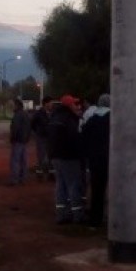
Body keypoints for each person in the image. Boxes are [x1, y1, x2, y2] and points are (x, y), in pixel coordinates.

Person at [47, 94, 84, 224]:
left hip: (55, 157)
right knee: (73, 185)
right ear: (69, 106)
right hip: (69, 157)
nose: (77, 106)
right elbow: (74, 139)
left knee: (60, 185)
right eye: (74, 104)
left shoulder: (54, 117)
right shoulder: (70, 119)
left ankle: (61, 214)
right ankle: (77, 214)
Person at [82, 93, 111, 227]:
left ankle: (95, 219)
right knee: (112, 189)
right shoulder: (112, 118)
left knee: (96, 190)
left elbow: (84, 137)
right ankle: (111, 217)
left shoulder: (92, 119)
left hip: (94, 159)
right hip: (110, 158)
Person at [30, 96, 54, 181]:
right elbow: (32, 123)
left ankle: (51, 175)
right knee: (41, 156)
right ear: (46, 103)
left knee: (51, 156)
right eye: (51, 103)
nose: (52, 105)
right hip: (41, 137)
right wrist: (37, 132)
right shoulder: (39, 113)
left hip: (50, 137)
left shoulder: (52, 113)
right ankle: (39, 175)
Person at [8, 98, 31, 185]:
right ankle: (23, 178)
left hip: (17, 140)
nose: (12, 106)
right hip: (24, 140)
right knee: (23, 160)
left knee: (15, 160)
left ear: (17, 105)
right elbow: (29, 128)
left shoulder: (17, 115)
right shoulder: (26, 114)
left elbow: (15, 128)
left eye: (13, 105)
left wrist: (12, 138)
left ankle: (14, 179)